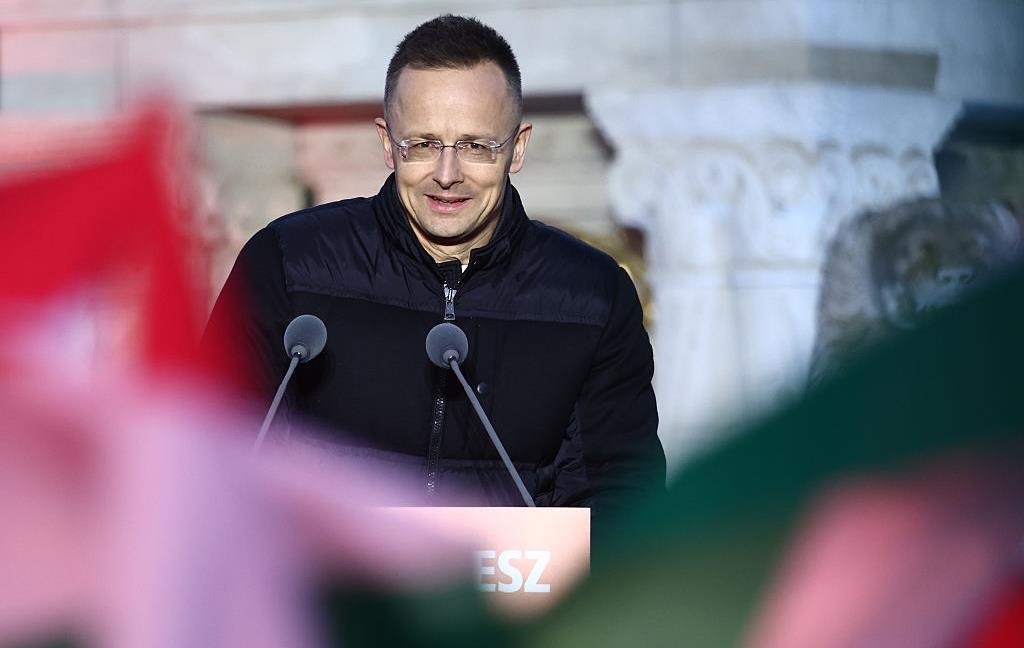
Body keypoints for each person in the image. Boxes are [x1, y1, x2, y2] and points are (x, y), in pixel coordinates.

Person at [206, 14, 665, 531]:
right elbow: (207, 451)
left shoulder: (594, 297)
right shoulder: (288, 263)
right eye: (423, 144)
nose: (447, 176)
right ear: (387, 142)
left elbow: (622, 500)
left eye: (475, 146)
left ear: (517, 148)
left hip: (507, 584)